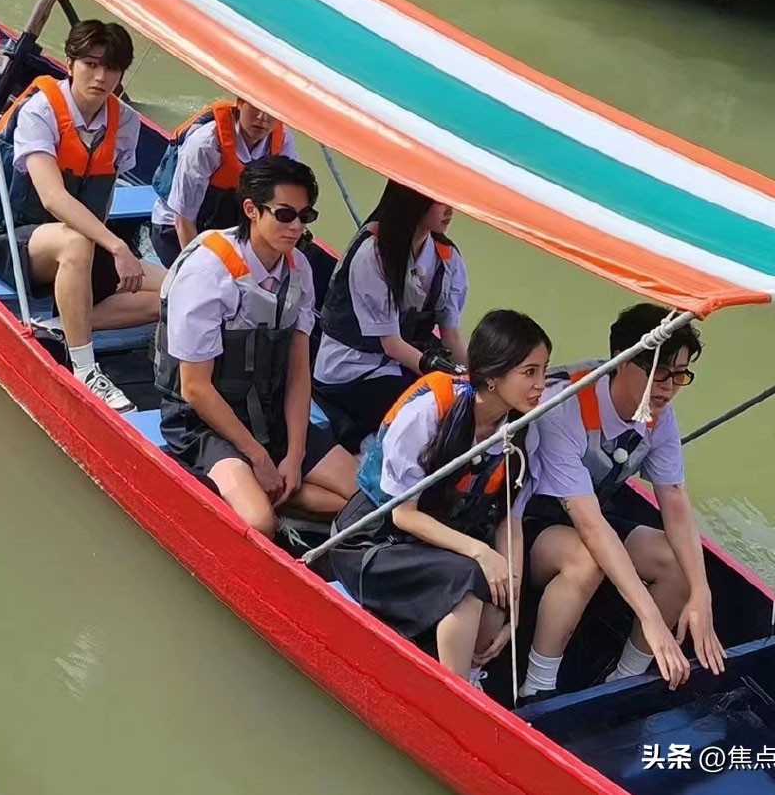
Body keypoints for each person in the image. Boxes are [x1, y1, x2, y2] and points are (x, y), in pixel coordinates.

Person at [329, 310, 550, 683]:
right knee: (468, 578)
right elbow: (403, 515)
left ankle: (471, 673)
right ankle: (455, 689)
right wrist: (480, 552)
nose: (541, 384)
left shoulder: (519, 431)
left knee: (498, 591)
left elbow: (508, 520)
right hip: (374, 540)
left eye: (544, 371)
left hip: (434, 542)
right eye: (530, 372)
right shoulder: (429, 411)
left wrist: (513, 597)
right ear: (493, 376)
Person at [520, 304, 723, 701]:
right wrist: (651, 618)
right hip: (530, 525)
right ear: (621, 360)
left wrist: (702, 594)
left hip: (592, 515)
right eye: (659, 372)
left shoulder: (658, 414)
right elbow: (591, 526)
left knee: (679, 561)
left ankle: (624, 678)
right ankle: (536, 688)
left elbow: (675, 500)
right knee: (587, 558)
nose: (668, 387)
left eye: (680, 374)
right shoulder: (565, 405)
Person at [155, 156, 357, 537]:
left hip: (268, 411)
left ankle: (279, 492)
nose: (296, 227)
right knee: (258, 523)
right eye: (284, 215)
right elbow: (195, 388)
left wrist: (294, 455)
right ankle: (251, 491)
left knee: (364, 500)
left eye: (305, 216)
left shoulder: (299, 270)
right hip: (203, 423)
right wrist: (258, 457)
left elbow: (298, 373)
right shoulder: (207, 273)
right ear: (251, 209)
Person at [0, 21, 165, 412]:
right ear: (70, 63)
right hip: (20, 241)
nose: (100, 77)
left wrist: (109, 250)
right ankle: (85, 370)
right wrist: (116, 246)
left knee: (179, 289)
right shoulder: (41, 110)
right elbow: (52, 196)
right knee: (75, 241)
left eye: (111, 68)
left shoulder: (125, 121)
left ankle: (62, 325)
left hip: (87, 244)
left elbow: (105, 193)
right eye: (91, 64)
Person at [313, 180, 469, 451]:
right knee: (434, 410)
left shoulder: (448, 257)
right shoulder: (373, 253)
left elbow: (451, 336)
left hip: (402, 363)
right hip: (352, 369)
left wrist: (478, 377)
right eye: (439, 200)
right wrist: (446, 375)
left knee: (463, 402)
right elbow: (391, 343)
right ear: (413, 200)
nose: (449, 209)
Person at [150, 96, 299, 268]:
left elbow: (289, 196)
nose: (262, 118)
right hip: (176, 229)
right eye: (255, 107)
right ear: (240, 103)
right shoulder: (205, 144)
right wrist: (198, 270)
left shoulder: (283, 140)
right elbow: (183, 220)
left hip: (228, 222)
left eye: (271, 112)